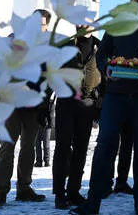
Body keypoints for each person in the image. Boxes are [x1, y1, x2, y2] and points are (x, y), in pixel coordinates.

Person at [72, 0, 138, 215]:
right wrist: (106, 68)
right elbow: (102, 54)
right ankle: (93, 202)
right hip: (116, 95)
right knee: (104, 146)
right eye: (136, 1)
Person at [0, 9, 52, 207]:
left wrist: (45, 105)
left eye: (41, 24)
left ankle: (24, 188)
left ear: (46, 27)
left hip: (33, 105)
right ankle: (1, 191)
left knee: (28, 148)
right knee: (7, 146)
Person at [53, 25, 102, 209]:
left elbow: (104, 75)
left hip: (88, 104)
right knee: (62, 148)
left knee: (81, 149)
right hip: (66, 103)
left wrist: (100, 104)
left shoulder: (100, 47)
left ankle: (74, 191)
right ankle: (59, 193)